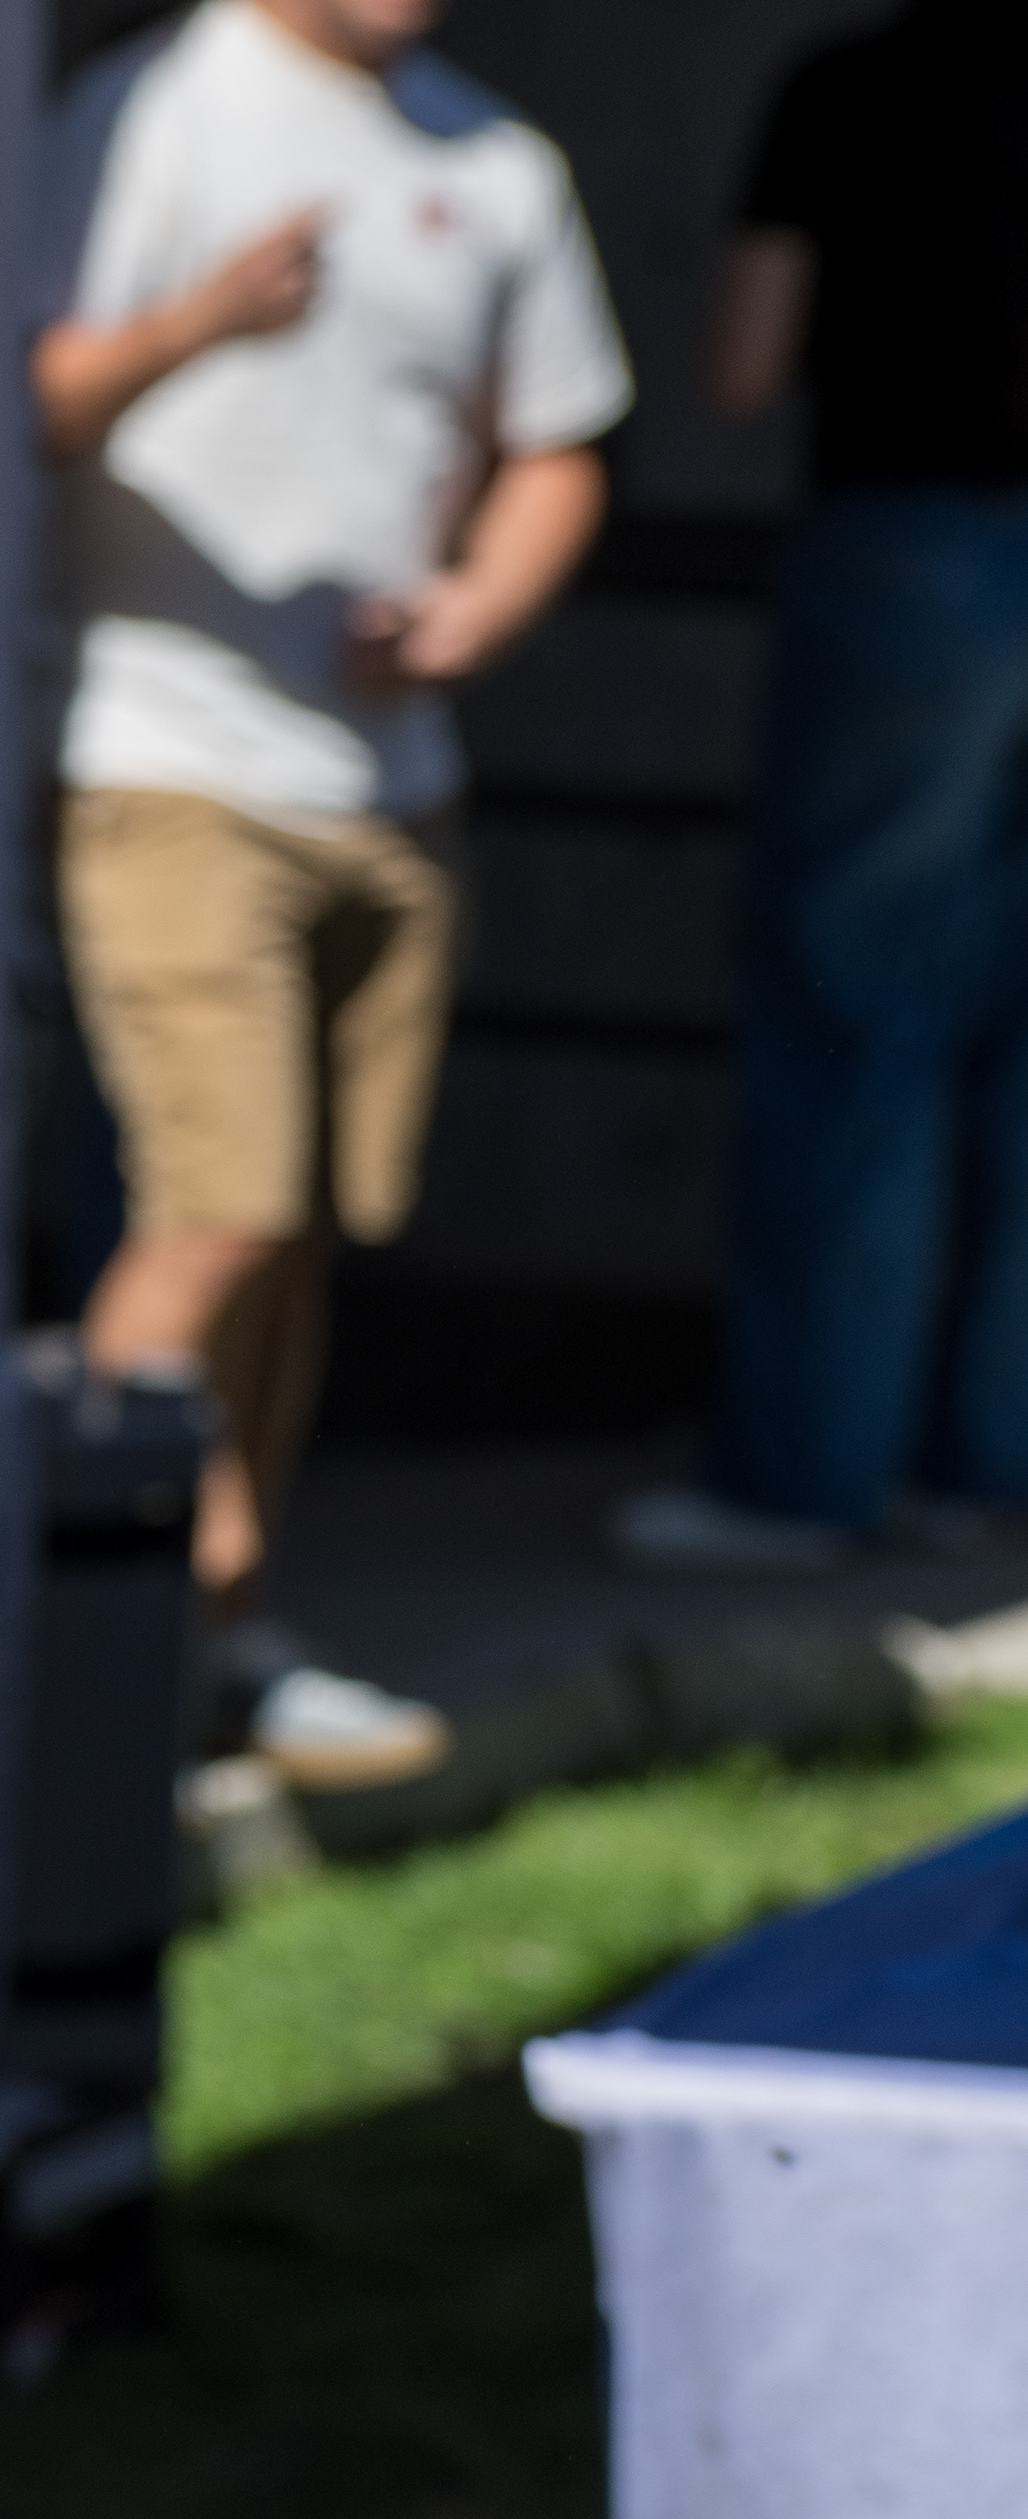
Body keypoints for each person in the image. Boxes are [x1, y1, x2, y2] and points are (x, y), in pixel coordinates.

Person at [38, 0, 630, 1783]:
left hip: (391, 792)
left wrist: (477, 614)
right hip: (170, 759)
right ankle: (89, 1630)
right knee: (214, 1214)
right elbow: (28, 393)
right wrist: (200, 322)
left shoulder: (497, 161)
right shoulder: (149, 105)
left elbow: (562, 443)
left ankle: (226, 1636)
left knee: (291, 1236)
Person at [612, 0, 1028, 1574]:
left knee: (856, 1012)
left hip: (911, 543)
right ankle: (986, 1464)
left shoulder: (854, 92)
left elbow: (742, 361)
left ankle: (807, 1475)